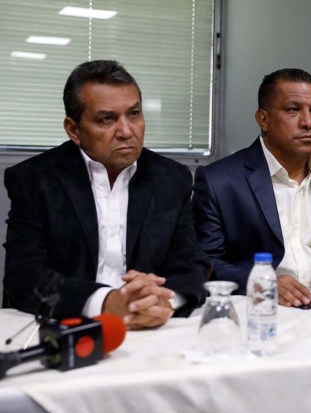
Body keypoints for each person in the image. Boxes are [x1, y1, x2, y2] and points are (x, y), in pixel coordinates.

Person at [3, 60, 209, 329]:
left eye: (134, 114)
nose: (126, 131)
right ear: (74, 130)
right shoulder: (34, 180)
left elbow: (191, 266)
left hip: (153, 328)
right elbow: (24, 278)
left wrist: (165, 302)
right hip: (66, 328)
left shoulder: (171, 178)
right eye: (106, 119)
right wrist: (107, 302)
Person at [192, 68, 311, 307]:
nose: (308, 122)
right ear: (263, 119)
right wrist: (261, 281)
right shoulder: (219, 180)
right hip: (262, 304)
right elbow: (206, 261)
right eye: (293, 110)